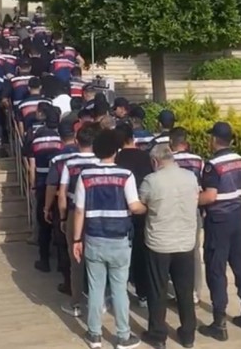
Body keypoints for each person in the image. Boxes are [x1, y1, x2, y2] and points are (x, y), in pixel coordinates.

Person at [72, 129, 147, 349]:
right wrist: (148, 207)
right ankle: (123, 336)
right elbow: (134, 206)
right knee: (119, 289)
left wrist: (76, 240)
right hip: (119, 240)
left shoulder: (85, 176)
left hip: (94, 238)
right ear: (115, 151)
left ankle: (94, 335)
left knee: (95, 289)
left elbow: (79, 211)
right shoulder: (126, 175)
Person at [198, 122, 241, 341]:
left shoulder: (212, 165)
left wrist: (190, 198)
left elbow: (210, 196)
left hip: (218, 223)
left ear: (214, 139)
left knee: (216, 270)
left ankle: (219, 323)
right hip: (237, 220)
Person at [139, 144, 200, 349]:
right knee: (185, 290)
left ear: (155, 161)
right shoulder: (191, 177)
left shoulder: (151, 180)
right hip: (185, 242)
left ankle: (158, 335)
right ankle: (188, 334)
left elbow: (142, 204)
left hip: (159, 243)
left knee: (158, 290)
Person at [58, 123, 102, 317]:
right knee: (96, 260)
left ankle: (75, 303)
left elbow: (62, 193)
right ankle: (98, 301)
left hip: (74, 213)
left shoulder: (70, 163)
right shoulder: (101, 162)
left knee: (76, 260)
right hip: (97, 215)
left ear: (77, 141)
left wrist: (62, 217)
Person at [114, 123, 154, 308]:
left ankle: (119, 292)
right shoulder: (146, 156)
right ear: (132, 138)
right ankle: (143, 293)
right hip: (142, 208)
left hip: (121, 210)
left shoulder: (116, 159)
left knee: (120, 254)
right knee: (141, 252)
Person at [24, 108, 64, 273]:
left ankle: (44, 260)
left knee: (44, 226)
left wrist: (33, 184)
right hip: (60, 186)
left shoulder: (36, 138)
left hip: (42, 184)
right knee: (60, 225)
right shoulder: (62, 139)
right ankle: (62, 264)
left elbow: (32, 165)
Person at [170, 127, 205, 306]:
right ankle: (195, 292)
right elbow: (203, 185)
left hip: (173, 210)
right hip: (193, 209)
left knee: (175, 251)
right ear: (186, 142)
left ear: (171, 142)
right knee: (194, 250)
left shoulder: (169, 161)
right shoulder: (199, 161)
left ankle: (180, 292)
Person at [44, 119, 79, 296]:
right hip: (84, 206)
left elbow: (51, 186)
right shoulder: (86, 154)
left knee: (64, 245)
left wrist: (46, 207)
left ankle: (69, 284)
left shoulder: (57, 159)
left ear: (60, 137)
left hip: (63, 205)